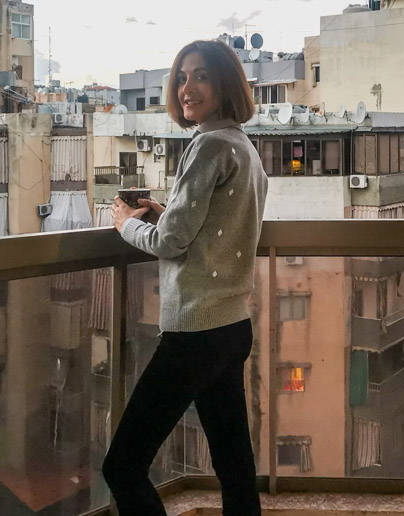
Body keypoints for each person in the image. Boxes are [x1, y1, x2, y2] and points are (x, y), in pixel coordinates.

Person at [103, 39, 268, 516]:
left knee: (123, 467)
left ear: (224, 85)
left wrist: (125, 223)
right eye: (181, 77)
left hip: (195, 332)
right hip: (232, 325)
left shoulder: (209, 146)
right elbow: (207, 227)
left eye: (200, 76)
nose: (187, 88)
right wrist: (165, 211)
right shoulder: (244, 147)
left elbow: (170, 244)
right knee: (234, 466)